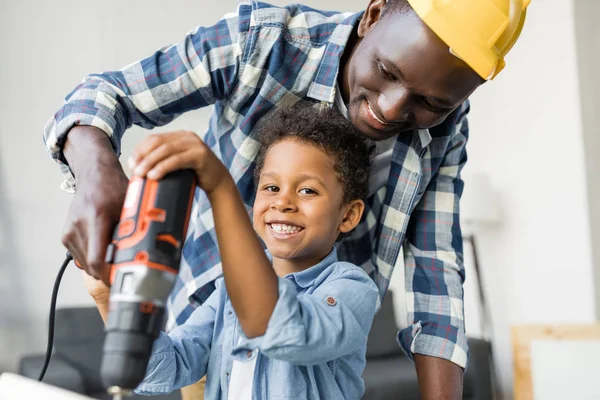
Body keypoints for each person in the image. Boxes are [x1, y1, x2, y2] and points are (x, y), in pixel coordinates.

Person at [44, 0, 531, 398]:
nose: (390, 109)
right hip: (207, 281)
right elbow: (158, 372)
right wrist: (107, 277)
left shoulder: (352, 290)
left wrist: (217, 184)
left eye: (432, 104)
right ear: (374, 14)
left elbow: (433, 276)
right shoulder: (264, 41)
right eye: (386, 71)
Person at [85, 102, 379, 399]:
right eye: (271, 188)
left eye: (307, 191)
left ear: (348, 215)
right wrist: (108, 296)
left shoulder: (352, 289)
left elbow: (287, 332)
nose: (283, 202)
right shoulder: (230, 290)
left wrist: (220, 188)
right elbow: (165, 368)